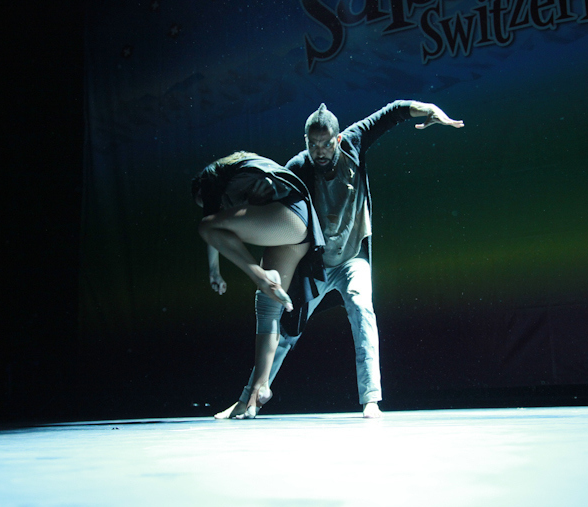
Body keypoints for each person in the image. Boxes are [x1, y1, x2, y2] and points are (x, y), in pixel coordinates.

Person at [215, 100, 464, 419]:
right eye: (313, 144)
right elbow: (273, 214)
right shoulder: (297, 168)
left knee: (361, 307)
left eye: (326, 144)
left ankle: (371, 399)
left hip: (352, 258)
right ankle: (247, 400)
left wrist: (431, 111)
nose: (319, 151)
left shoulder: (355, 142)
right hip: (316, 266)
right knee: (287, 331)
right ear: (306, 141)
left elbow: (394, 112)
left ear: (338, 139)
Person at [193, 151, 325, 418]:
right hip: (298, 227)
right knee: (267, 308)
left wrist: (216, 271)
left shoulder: (222, 180)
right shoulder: (240, 170)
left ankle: (261, 276)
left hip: (290, 216)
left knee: (207, 226)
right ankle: (257, 390)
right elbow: (217, 227)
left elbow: (210, 225)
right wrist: (215, 271)